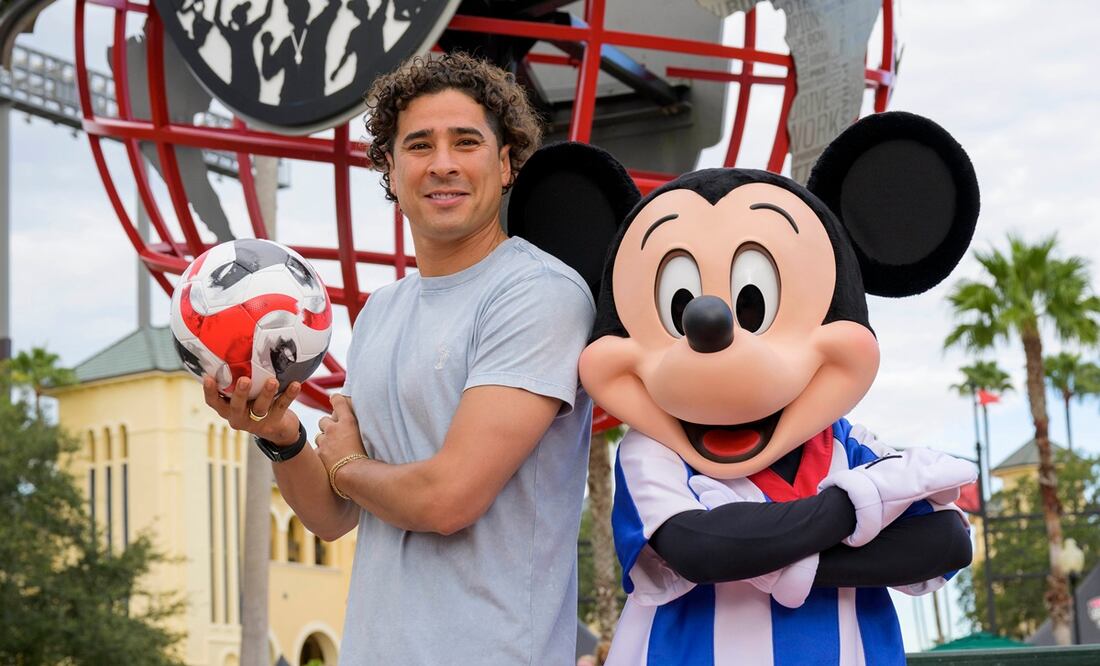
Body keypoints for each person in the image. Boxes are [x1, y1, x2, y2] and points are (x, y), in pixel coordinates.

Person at [203, 52, 596, 665]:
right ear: (389, 166)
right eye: (419, 145)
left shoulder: (539, 293)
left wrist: (348, 465)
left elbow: (448, 500)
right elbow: (333, 516)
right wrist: (281, 435)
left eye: (465, 142)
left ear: (505, 163)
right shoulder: (382, 311)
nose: (442, 164)